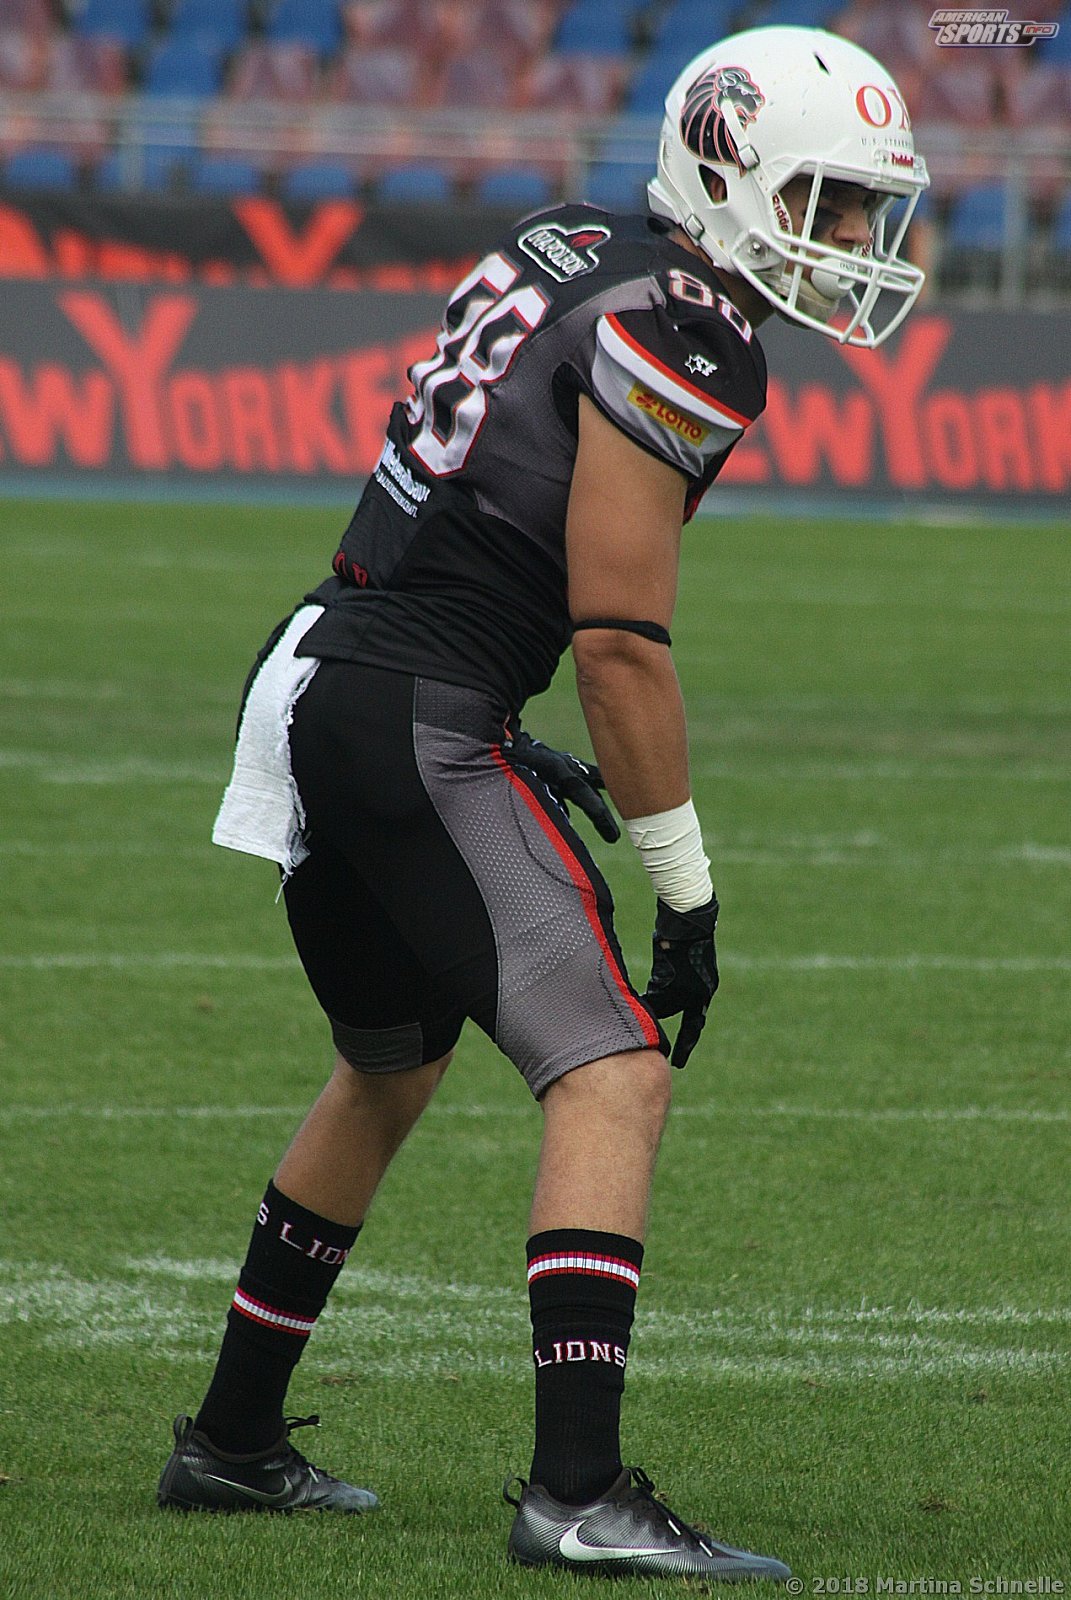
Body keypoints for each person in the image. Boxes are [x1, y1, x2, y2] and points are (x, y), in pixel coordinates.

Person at [157, 24, 927, 1580]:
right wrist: (687, 892)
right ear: (730, 172)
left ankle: (229, 1443)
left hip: (325, 671)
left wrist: (480, 709)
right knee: (614, 1071)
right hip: (413, 708)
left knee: (389, 1068)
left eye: (865, 209)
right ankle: (579, 1490)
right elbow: (621, 643)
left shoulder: (572, 241)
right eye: (829, 202)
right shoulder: (689, 329)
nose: (854, 240)